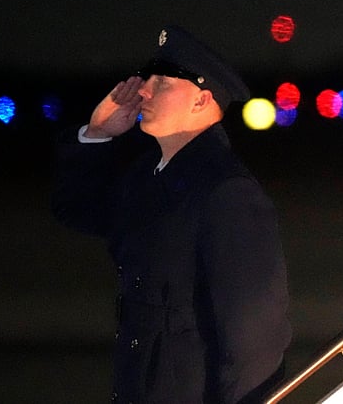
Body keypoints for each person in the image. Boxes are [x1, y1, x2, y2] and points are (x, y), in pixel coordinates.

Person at [52, 25, 291, 403]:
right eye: (149, 79)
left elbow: (254, 337)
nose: (144, 91)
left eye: (162, 83)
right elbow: (76, 210)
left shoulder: (226, 191)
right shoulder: (147, 175)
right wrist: (97, 134)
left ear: (201, 100)